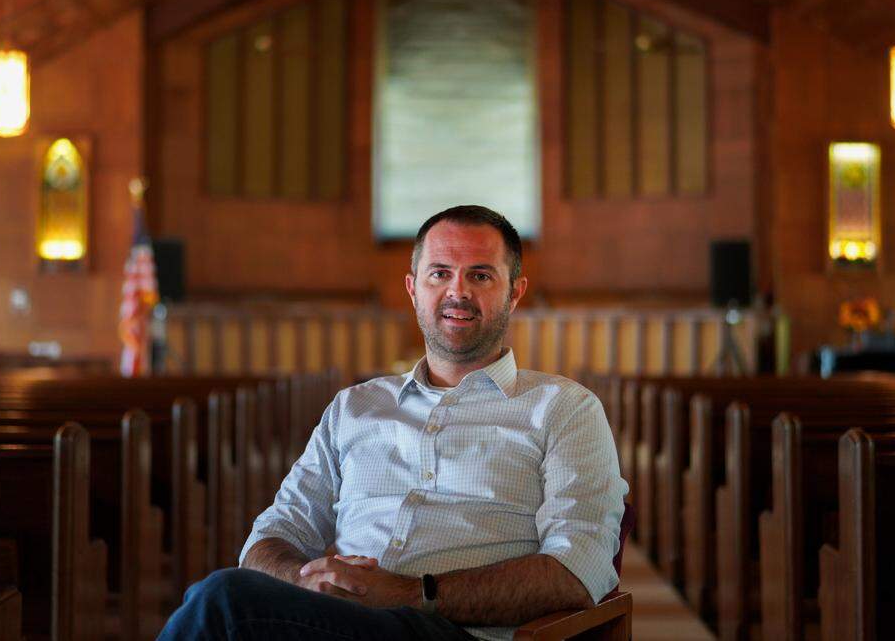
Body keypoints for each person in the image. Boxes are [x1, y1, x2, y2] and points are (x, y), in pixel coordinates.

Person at [158, 205, 628, 640]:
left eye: (480, 275)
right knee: (225, 600)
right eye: (439, 273)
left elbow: (577, 569)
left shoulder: (566, 409)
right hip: (339, 623)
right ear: (412, 288)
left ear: (515, 292)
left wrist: (411, 594)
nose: (458, 291)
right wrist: (307, 581)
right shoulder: (354, 407)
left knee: (223, 604)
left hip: (460, 633)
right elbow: (272, 536)